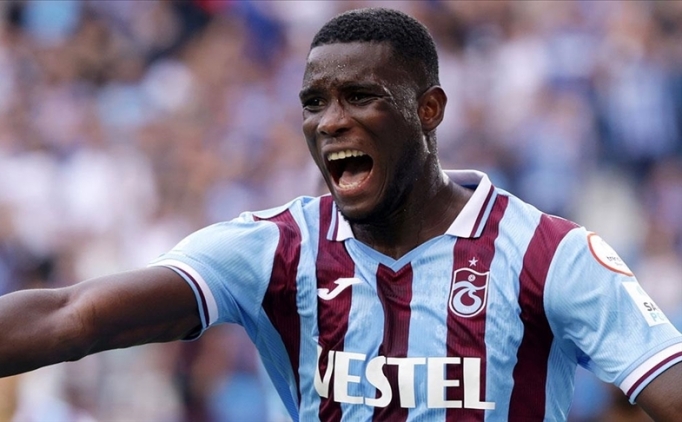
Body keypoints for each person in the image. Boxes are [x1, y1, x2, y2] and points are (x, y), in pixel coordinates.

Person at [1, 7, 681, 422]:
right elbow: (74, 314)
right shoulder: (274, 249)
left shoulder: (550, 255)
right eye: (314, 102)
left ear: (429, 110)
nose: (330, 122)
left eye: (360, 96)